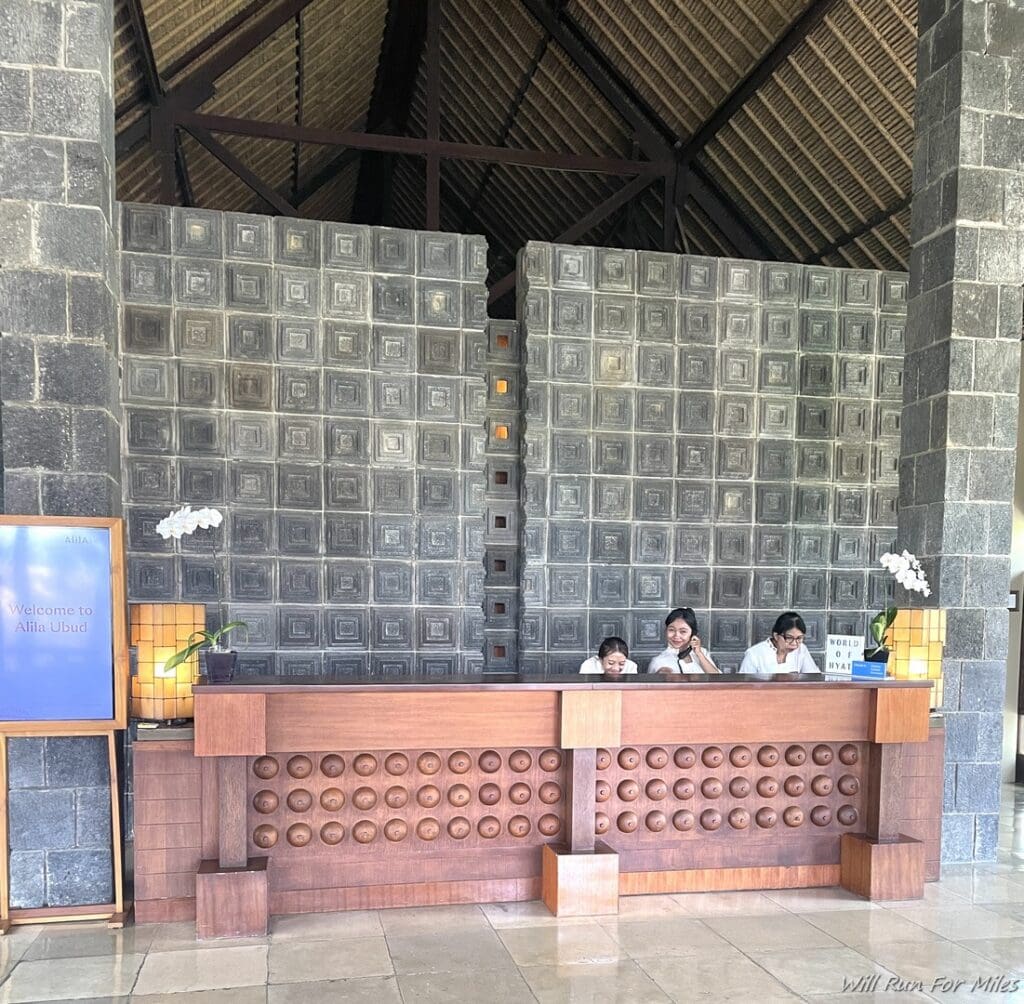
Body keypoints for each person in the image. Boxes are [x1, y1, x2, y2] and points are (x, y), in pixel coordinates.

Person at [739, 611, 821, 674]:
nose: (794, 643)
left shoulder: (801, 649)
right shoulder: (754, 654)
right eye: (789, 638)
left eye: (799, 638)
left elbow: (813, 677)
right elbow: (744, 686)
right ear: (776, 636)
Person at [647, 608, 720, 674]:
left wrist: (699, 654)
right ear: (666, 631)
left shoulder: (703, 653)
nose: (676, 636)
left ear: (693, 633)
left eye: (683, 631)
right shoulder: (658, 661)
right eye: (671, 630)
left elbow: (718, 681)